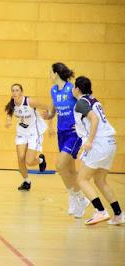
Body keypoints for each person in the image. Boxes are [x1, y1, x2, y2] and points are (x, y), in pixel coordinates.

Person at [73, 76, 124, 225]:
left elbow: (94, 119)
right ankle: (119, 214)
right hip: (110, 142)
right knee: (100, 180)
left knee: (82, 179)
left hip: (100, 143)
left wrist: (89, 141)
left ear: (77, 89)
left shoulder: (81, 102)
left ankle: (100, 211)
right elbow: (93, 121)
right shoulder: (94, 100)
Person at [43, 62, 90, 218]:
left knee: (59, 165)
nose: (49, 75)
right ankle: (79, 198)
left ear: (56, 73)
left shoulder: (72, 89)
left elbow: (85, 106)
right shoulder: (54, 90)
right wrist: (48, 116)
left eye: (50, 72)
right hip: (61, 133)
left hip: (73, 133)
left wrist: (84, 127)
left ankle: (76, 196)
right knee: (69, 170)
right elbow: (53, 110)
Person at [5, 83, 49, 191]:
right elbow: (9, 113)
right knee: (20, 158)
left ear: (21, 92)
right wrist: (8, 121)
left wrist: (48, 115)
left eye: (17, 90)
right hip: (22, 131)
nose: (15, 92)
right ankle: (26, 181)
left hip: (34, 130)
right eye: (13, 90)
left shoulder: (30, 101)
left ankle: (41, 160)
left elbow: (47, 107)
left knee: (29, 161)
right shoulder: (12, 104)